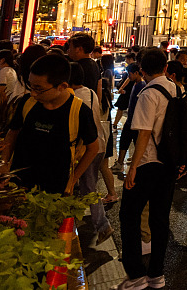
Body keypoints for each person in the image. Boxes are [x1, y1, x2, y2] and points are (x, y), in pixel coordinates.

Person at [114, 48, 178, 290]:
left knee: (129, 215)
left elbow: (143, 133)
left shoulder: (147, 93)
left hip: (148, 162)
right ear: (164, 67)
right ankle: (157, 274)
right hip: (169, 163)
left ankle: (136, 275)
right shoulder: (174, 88)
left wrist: (132, 167)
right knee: (160, 219)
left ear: (141, 69)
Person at [0, 54, 99, 195]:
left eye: (39, 88)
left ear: (62, 86)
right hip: (18, 184)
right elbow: (13, 132)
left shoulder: (79, 111)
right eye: (30, 86)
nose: (33, 93)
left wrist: (72, 181)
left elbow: (93, 148)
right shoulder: (27, 102)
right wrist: (4, 164)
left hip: (55, 189)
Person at [68, 63, 112, 246]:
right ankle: (99, 225)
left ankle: (103, 226)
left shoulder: (73, 98)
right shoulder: (91, 93)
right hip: (100, 144)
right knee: (88, 186)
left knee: (88, 187)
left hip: (87, 149)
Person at [114, 64, 146, 176]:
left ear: (136, 73)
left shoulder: (141, 85)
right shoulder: (136, 84)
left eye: (130, 74)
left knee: (133, 142)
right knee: (124, 141)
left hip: (135, 121)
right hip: (131, 119)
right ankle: (119, 163)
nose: (129, 76)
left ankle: (130, 164)